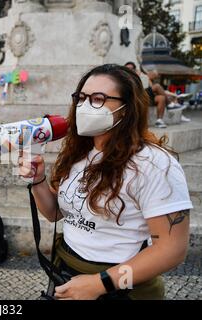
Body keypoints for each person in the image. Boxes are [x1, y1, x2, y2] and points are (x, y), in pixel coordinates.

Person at [19, 64, 192, 300]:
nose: (84, 106)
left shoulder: (154, 165)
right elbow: (54, 213)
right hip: (67, 272)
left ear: (126, 108)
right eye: (80, 98)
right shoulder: (79, 153)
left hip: (120, 288)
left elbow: (172, 250)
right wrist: (38, 180)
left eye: (98, 99)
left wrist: (100, 284)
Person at [124, 62, 167, 128]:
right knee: (157, 86)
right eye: (127, 68)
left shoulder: (140, 76)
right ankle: (169, 103)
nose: (130, 70)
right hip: (137, 96)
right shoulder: (124, 77)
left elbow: (149, 82)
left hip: (146, 95)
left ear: (134, 69)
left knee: (161, 98)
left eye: (132, 69)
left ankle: (159, 121)